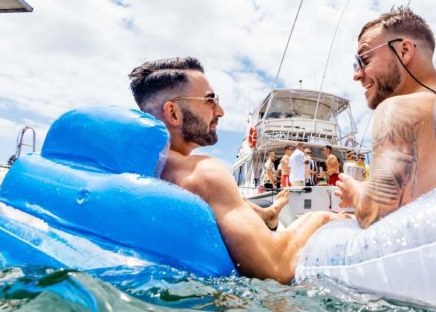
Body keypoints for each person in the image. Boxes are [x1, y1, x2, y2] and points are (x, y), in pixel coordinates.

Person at [129, 57, 345, 283]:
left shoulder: (143, 167)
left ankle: (266, 213)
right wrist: (322, 218)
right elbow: (275, 267)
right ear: (173, 113)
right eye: (210, 101)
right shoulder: (203, 172)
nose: (220, 111)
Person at [335, 7, 436, 228]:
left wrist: (356, 191)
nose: (357, 74)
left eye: (364, 60)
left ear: (404, 50)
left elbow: (376, 215)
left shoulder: (398, 109)